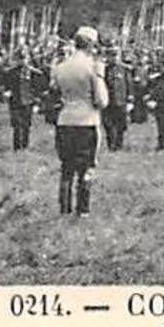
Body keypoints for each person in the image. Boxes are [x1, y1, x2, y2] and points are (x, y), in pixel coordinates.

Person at [54, 26, 109, 215]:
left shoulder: (60, 67)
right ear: (91, 45)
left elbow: (55, 91)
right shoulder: (92, 67)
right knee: (86, 168)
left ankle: (64, 208)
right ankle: (83, 209)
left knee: (66, 167)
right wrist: (100, 76)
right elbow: (102, 101)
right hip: (87, 121)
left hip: (64, 120)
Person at [101, 51, 133, 151]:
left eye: (115, 56)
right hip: (108, 102)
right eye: (111, 55)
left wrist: (130, 99)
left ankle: (119, 144)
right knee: (109, 125)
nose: (114, 58)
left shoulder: (124, 69)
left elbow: (129, 85)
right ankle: (111, 145)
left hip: (121, 101)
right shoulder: (104, 70)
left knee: (121, 125)